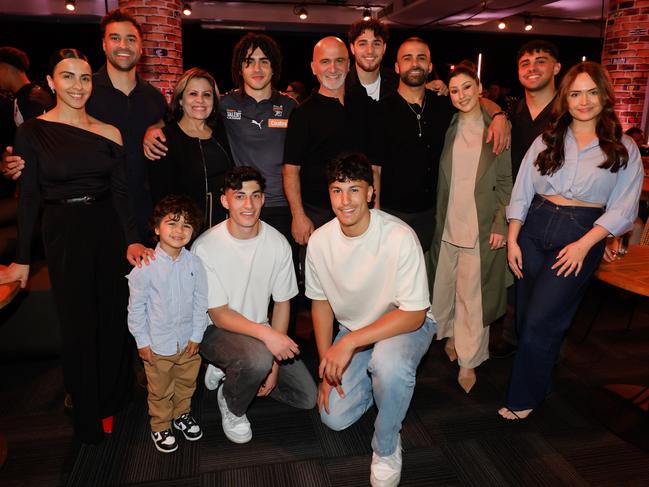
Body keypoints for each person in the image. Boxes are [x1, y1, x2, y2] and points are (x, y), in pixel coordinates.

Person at [0, 48, 151, 443]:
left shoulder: (109, 131)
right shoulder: (32, 131)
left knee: (114, 315)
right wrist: (20, 261)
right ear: (51, 83)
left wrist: (132, 238)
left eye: (84, 78)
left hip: (108, 228)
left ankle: (116, 397)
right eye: (67, 77)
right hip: (63, 229)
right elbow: (29, 197)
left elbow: (121, 195)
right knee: (78, 323)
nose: (77, 86)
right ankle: (88, 408)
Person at [500, 61, 643, 420]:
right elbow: (522, 190)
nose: (583, 101)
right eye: (576, 93)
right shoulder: (547, 139)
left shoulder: (623, 147)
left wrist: (586, 244)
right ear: (566, 98)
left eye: (592, 93)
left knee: (541, 321)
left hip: (581, 233)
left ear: (604, 96)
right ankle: (541, 380)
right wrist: (513, 238)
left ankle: (523, 399)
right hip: (534, 226)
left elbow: (624, 209)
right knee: (524, 320)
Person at [306, 153, 435, 487]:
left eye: (353, 190)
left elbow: (415, 312)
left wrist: (348, 342)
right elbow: (320, 304)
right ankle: (382, 391)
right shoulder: (320, 241)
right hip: (355, 328)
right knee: (333, 417)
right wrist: (326, 366)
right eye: (337, 190)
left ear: (369, 193)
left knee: (389, 364)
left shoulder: (398, 235)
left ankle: (387, 446)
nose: (345, 200)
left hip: (404, 322)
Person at [0, 10, 168, 242]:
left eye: (131, 39)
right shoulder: (82, 90)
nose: (123, 45)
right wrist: (13, 162)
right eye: (115, 37)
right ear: (104, 44)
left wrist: (156, 125)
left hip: (145, 211)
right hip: (94, 215)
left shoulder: (154, 98)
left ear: (141, 47)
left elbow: (166, 128)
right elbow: (45, 137)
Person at [192, 166, 316, 444]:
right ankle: (232, 404)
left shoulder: (277, 243)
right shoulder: (205, 247)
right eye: (239, 196)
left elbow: (283, 303)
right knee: (256, 359)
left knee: (306, 397)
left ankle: (238, 371)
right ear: (225, 201)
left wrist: (274, 364)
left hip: (259, 331)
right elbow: (220, 315)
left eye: (255, 196)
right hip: (214, 331)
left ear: (263, 199)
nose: (248, 205)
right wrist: (269, 346)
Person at [368, 37, 509, 249]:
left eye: (421, 58)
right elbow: (374, 170)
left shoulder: (443, 105)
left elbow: (474, 101)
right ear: (397, 67)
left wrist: (499, 115)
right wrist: (376, 217)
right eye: (408, 58)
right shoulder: (381, 112)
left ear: (430, 66)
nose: (415, 63)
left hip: (435, 216)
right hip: (392, 215)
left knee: (427, 278)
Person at [428, 62, 512, 394]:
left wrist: (500, 223)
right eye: (454, 90)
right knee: (445, 290)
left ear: (480, 89)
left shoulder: (497, 128)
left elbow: (506, 182)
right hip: (447, 226)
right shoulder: (448, 126)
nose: (462, 95)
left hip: (480, 228)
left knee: (473, 298)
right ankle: (451, 339)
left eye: (467, 87)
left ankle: (469, 361)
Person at [491, 40, 562, 359]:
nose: (532, 68)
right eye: (525, 63)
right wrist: (497, 114)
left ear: (556, 68)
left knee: (550, 286)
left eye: (541, 61)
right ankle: (512, 332)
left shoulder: (569, 112)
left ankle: (544, 345)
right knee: (515, 274)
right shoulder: (512, 111)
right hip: (517, 207)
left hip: (557, 211)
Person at [127, 195, 208, 453]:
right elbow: (136, 308)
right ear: (156, 228)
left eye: (186, 225)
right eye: (172, 223)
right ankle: (161, 425)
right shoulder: (145, 266)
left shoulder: (195, 263)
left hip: (188, 343)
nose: (179, 230)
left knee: (186, 383)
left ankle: (181, 414)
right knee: (160, 389)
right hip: (157, 344)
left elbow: (201, 300)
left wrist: (197, 335)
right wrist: (142, 342)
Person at [283, 36, 367, 245]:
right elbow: (290, 170)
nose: (333, 68)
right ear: (313, 67)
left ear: (349, 65)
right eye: (325, 61)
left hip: (359, 211)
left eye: (339, 60)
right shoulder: (302, 114)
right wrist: (298, 216)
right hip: (317, 214)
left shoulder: (362, 103)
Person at [149, 68, 232, 229]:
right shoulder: (164, 140)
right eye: (193, 94)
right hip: (186, 232)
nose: (200, 100)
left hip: (224, 228)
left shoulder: (222, 133)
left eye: (207, 95)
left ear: (214, 101)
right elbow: (160, 198)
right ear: (180, 100)